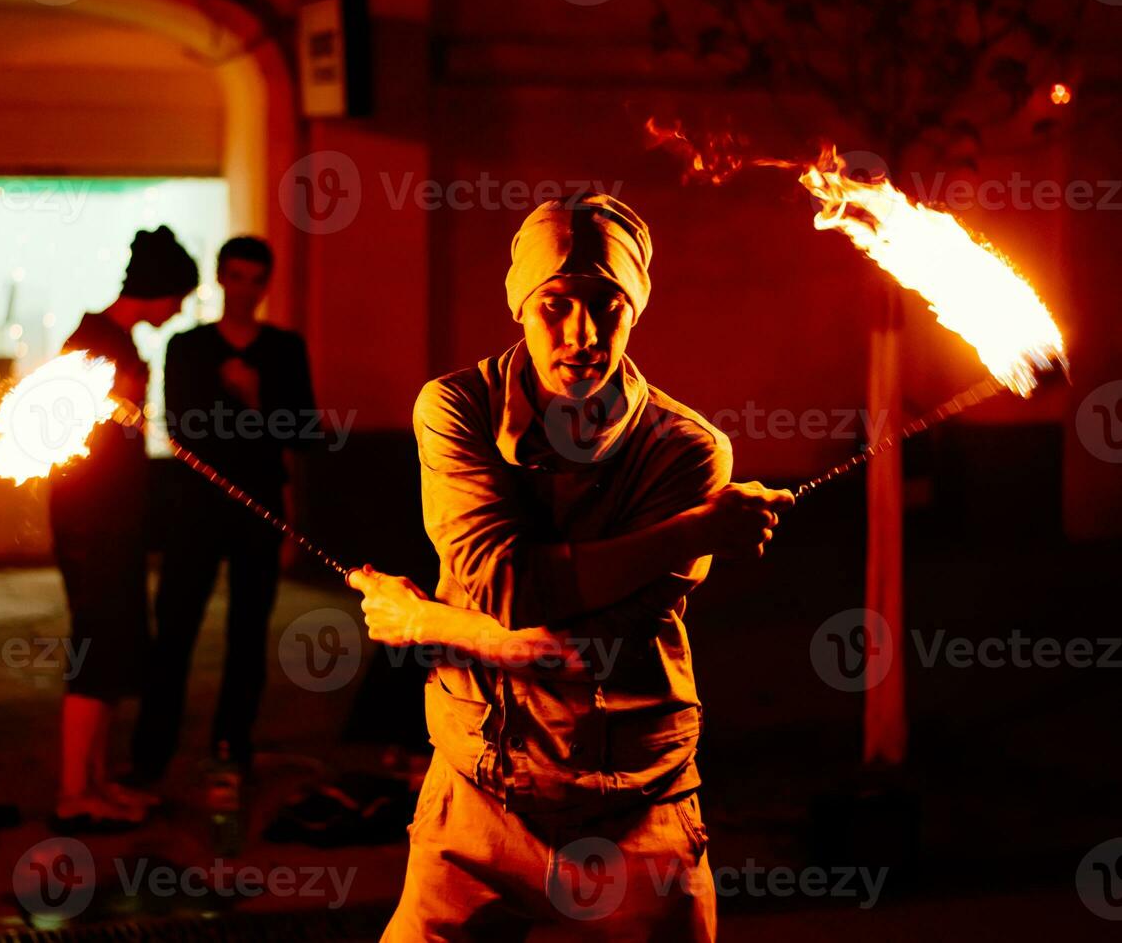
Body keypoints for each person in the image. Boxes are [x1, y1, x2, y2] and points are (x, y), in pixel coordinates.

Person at [348, 194, 794, 941]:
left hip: (633, 807)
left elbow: (584, 639)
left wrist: (424, 621)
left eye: (608, 304)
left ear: (636, 310)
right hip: (476, 798)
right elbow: (502, 581)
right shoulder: (456, 408)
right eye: (555, 304)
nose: (582, 334)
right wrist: (692, 534)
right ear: (518, 305)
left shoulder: (688, 450)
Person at [131, 236, 316, 783]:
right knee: (175, 628)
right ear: (219, 278)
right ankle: (151, 752)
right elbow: (182, 427)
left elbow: (304, 431)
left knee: (248, 632)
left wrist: (256, 400)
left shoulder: (284, 349)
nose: (244, 290)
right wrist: (243, 412)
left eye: (255, 279)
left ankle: (232, 743)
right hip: (195, 507)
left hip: (259, 507)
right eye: (235, 276)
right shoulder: (188, 347)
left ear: (265, 285)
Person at [47, 226, 197, 831]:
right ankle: (72, 791)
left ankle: (97, 782)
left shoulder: (118, 342)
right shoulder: (92, 343)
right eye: (179, 295)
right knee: (97, 649)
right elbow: (64, 435)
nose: (180, 308)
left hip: (115, 520)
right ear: (157, 289)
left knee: (114, 650)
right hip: (92, 523)